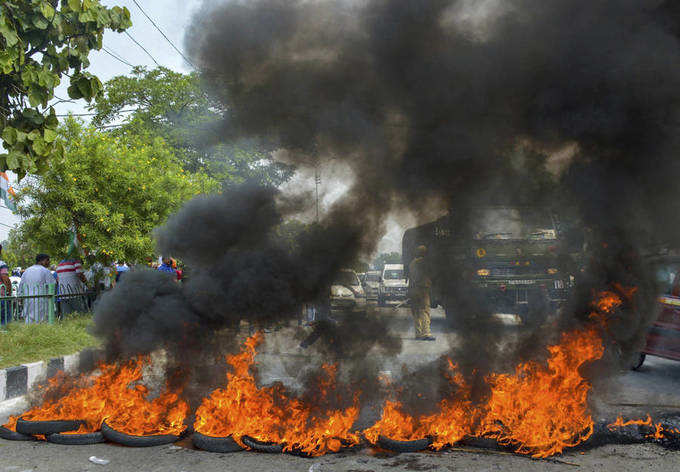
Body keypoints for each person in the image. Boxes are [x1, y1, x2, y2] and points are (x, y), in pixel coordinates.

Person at [408, 245, 435, 341]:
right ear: (424, 253)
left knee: (416, 312)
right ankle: (426, 333)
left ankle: (418, 333)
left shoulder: (412, 263)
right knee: (425, 310)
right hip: (422, 290)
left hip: (413, 289)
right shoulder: (423, 262)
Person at [19, 254, 55, 324]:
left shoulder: (26, 271)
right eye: (47, 260)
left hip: (28, 300)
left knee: (29, 322)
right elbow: (52, 286)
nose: (49, 262)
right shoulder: (45, 271)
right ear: (42, 261)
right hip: (41, 301)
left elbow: (21, 287)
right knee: (42, 323)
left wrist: (21, 299)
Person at [0, 263, 12, 330]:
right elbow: (8, 289)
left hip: (3, 299)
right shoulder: (5, 277)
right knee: (6, 319)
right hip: (3, 299)